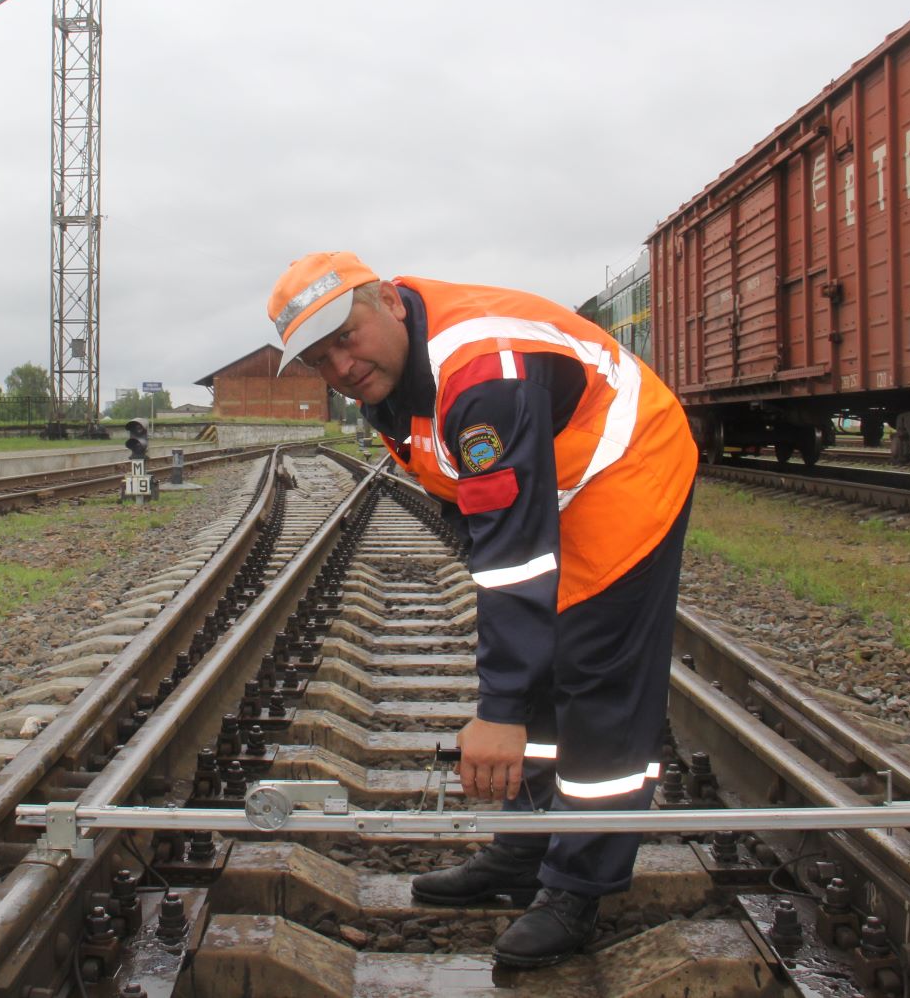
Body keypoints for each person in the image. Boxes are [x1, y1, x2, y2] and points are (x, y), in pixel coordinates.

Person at [266, 251, 696, 968]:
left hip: (624, 468)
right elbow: (468, 503)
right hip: (550, 479)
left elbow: (516, 553)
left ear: (390, 302)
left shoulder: (478, 369)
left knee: (592, 672)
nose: (339, 365)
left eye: (346, 336)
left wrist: (498, 710)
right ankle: (525, 851)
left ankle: (575, 887)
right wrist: (513, 675)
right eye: (319, 356)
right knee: (541, 659)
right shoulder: (390, 378)